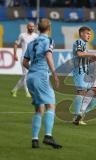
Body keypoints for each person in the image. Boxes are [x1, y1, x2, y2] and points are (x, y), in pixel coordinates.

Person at [23, 18, 62, 149]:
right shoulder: (49, 40)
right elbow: (48, 56)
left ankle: (34, 140)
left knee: (39, 109)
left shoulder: (32, 42)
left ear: (38, 28)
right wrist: (54, 73)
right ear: (49, 28)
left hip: (30, 77)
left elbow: (24, 62)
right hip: (41, 76)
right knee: (51, 105)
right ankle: (48, 136)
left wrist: (33, 70)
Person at [71, 26, 96, 125]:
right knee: (81, 92)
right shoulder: (79, 42)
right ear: (81, 34)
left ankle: (81, 114)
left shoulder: (84, 44)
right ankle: (76, 116)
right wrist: (93, 54)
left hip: (86, 73)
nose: (89, 35)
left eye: (90, 34)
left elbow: (83, 57)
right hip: (80, 72)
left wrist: (91, 59)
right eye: (87, 33)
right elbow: (79, 54)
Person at [11, 22, 38, 98]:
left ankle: (14, 90)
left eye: (33, 27)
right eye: (30, 26)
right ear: (27, 27)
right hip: (24, 58)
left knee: (25, 76)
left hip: (32, 58)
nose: (32, 28)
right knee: (26, 75)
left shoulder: (36, 36)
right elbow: (16, 44)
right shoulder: (22, 35)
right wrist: (15, 54)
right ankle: (27, 92)